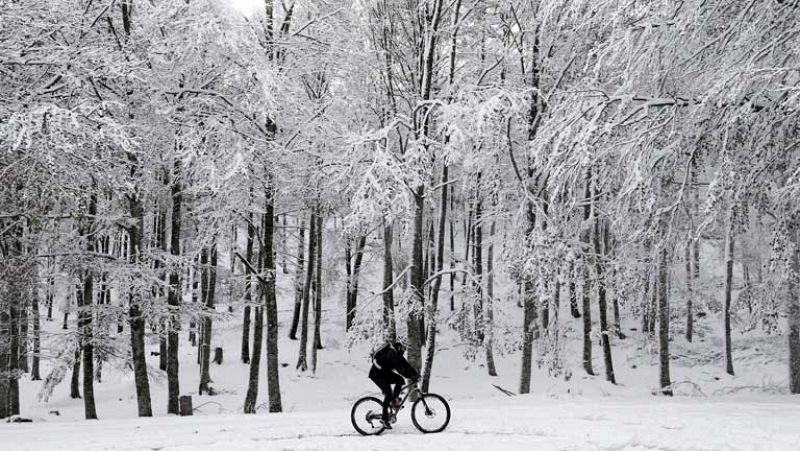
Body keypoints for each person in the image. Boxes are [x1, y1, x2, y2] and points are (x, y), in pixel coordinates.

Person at [369, 341, 419, 429]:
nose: (404, 350)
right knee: (388, 393)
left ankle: (394, 401)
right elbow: (400, 369)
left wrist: (415, 374)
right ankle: (384, 419)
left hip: (384, 373)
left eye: (405, 349)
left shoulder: (397, 354)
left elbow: (406, 365)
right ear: (399, 347)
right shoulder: (391, 353)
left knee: (400, 380)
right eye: (404, 348)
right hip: (377, 375)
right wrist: (411, 376)